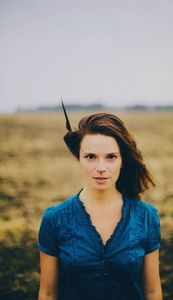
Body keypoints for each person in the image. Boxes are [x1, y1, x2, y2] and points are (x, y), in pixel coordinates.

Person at [37, 102, 163, 300]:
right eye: (91, 157)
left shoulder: (146, 216)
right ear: (78, 159)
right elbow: (48, 293)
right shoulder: (54, 219)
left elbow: (152, 291)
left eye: (111, 157)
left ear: (123, 161)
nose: (101, 167)